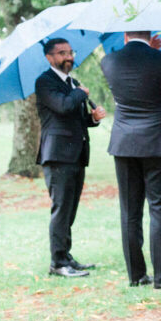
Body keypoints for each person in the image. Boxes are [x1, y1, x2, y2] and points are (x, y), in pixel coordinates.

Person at [101, 31, 161, 289]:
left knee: (130, 212)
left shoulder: (108, 61)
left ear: (124, 36)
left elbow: (134, 82)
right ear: (151, 34)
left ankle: (136, 275)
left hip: (124, 145)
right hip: (158, 144)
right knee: (159, 209)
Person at [35, 38, 107, 278]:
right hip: (57, 155)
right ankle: (57, 262)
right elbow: (63, 106)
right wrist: (79, 93)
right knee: (61, 209)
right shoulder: (45, 82)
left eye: (70, 52)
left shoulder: (72, 82)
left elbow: (76, 119)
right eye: (62, 53)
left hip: (76, 154)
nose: (68, 57)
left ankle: (66, 256)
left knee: (70, 209)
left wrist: (94, 118)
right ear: (49, 57)